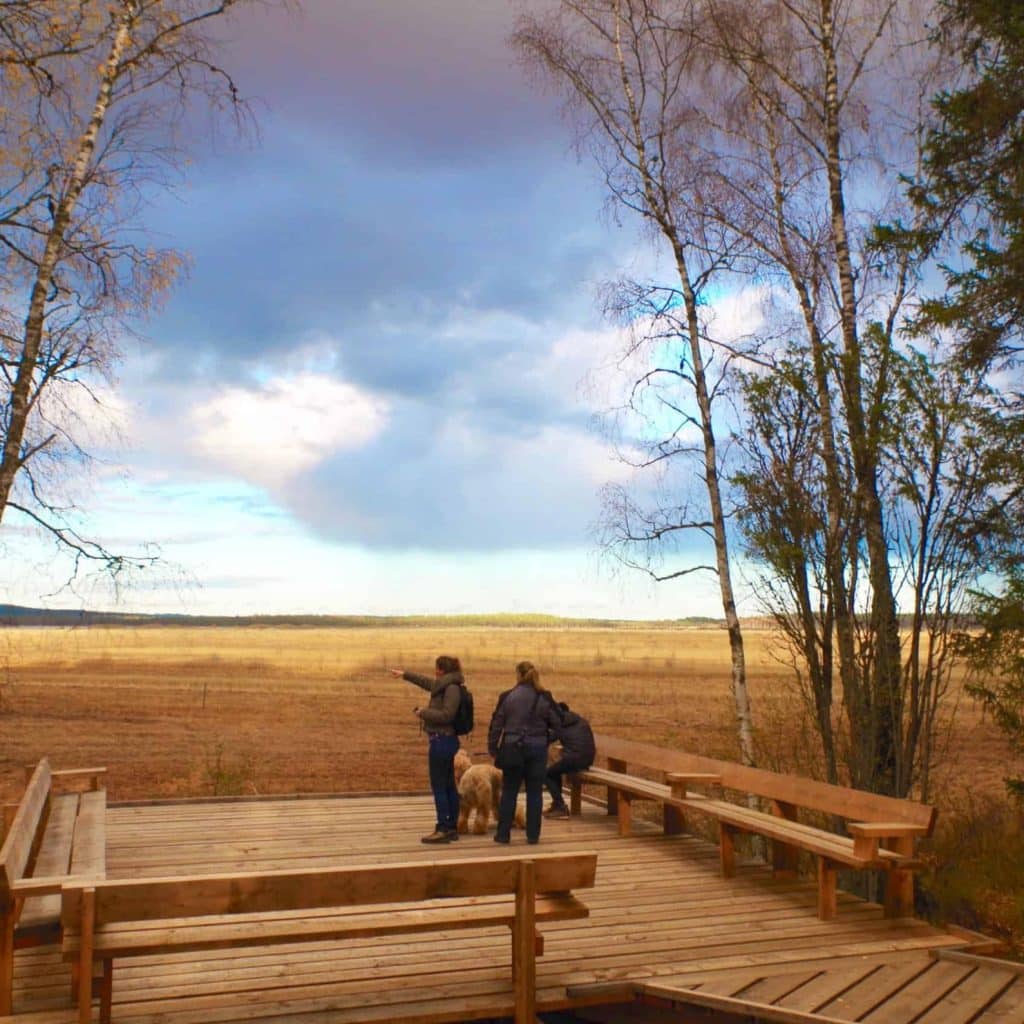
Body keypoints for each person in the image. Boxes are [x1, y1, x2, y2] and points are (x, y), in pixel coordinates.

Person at [389, 655, 465, 843]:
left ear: (441, 669)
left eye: (436, 668)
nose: (434, 671)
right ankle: (452, 826)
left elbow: (447, 715)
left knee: (440, 786)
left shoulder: (451, 689)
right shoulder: (447, 685)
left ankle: (443, 828)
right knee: (448, 785)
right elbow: (426, 682)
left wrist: (424, 713)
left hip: (442, 741)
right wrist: (405, 674)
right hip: (445, 741)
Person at [487, 661, 561, 845]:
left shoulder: (507, 696)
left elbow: (497, 724)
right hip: (537, 750)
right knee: (535, 793)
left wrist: (493, 748)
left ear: (518, 675)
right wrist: (546, 739)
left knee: (509, 791)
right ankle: (533, 835)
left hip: (512, 748)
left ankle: (503, 834)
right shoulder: (545, 697)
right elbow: (559, 724)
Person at [544, 701, 595, 818]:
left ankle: (560, 806)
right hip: (587, 760)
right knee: (555, 771)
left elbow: (547, 739)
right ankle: (557, 804)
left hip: (574, 759)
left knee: (547, 774)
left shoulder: (560, 724)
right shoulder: (580, 720)